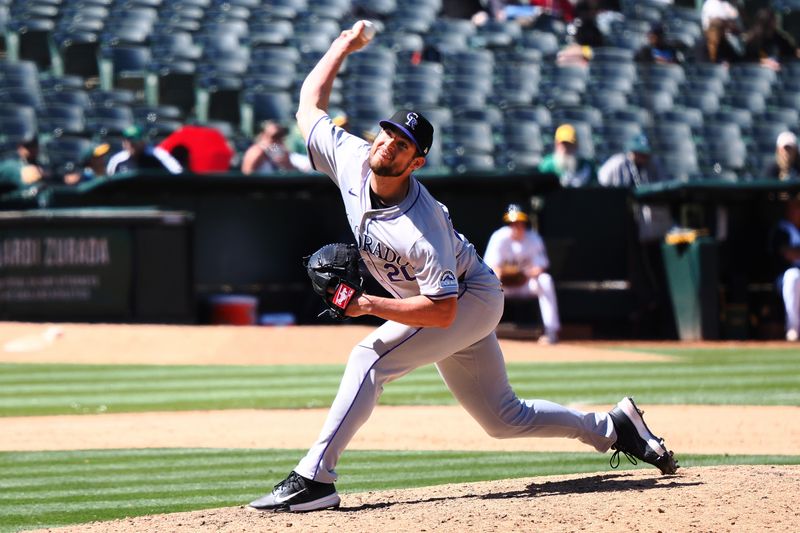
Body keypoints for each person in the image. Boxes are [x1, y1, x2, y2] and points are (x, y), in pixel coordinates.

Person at [247, 20, 677, 513]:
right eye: (388, 133)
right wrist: (343, 44)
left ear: (416, 162)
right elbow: (309, 104)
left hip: (468, 299)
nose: (389, 144)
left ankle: (316, 478)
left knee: (369, 358)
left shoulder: (421, 225)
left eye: (402, 144)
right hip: (451, 300)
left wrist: (367, 304)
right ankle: (614, 427)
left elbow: (443, 312)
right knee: (503, 418)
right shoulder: (351, 158)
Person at [483, 204, 561, 344]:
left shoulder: (533, 239)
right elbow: (491, 267)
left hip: (525, 284)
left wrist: (522, 275)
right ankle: (486, 333)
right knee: (487, 284)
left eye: (519, 223)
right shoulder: (499, 237)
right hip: (503, 286)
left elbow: (541, 267)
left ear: (525, 223)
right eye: (512, 223)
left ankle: (551, 331)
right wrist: (503, 278)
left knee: (545, 280)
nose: (516, 226)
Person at [768, 197, 800, 342]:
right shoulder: (782, 229)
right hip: (784, 278)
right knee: (793, 276)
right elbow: (788, 253)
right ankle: (793, 328)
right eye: (796, 207)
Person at [106, 125, 183, 175]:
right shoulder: (117, 160)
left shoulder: (158, 155)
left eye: (135, 141)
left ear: (143, 142)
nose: (132, 145)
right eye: (129, 141)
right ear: (124, 143)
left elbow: (178, 172)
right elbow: (108, 180)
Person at [598, 133, 668, 187]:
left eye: (647, 154)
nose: (646, 157)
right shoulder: (617, 162)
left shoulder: (654, 162)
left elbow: (663, 183)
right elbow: (603, 181)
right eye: (641, 154)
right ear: (632, 152)